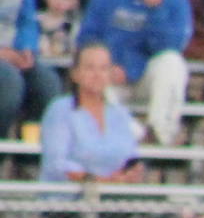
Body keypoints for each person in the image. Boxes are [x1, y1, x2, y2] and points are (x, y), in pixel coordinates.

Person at [75, 0, 188, 144]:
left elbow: (169, 46)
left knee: (173, 63)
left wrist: (156, 10)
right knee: (94, 75)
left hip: (147, 76)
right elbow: (87, 36)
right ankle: (137, 136)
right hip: (111, 74)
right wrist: (108, 65)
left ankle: (159, 133)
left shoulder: (176, 2)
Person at [37, 40, 141, 181]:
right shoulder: (60, 110)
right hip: (68, 199)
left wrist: (128, 174)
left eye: (103, 68)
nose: (97, 74)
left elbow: (131, 156)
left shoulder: (120, 113)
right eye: (90, 68)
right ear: (75, 74)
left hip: (113, 197)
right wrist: (100, 181)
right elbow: (56, 165)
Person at [0, 0, 61, 138]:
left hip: (13, 51)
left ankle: (27, 156)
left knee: (48, 83)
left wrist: (27, 48)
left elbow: (27, 19)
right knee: (9, 82)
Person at [33, 0, 79, 68]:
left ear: (74, 1)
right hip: (38, 64)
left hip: (62, 66)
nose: (59, 2)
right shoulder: (35, 19)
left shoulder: (71, 26)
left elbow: (74, 50)